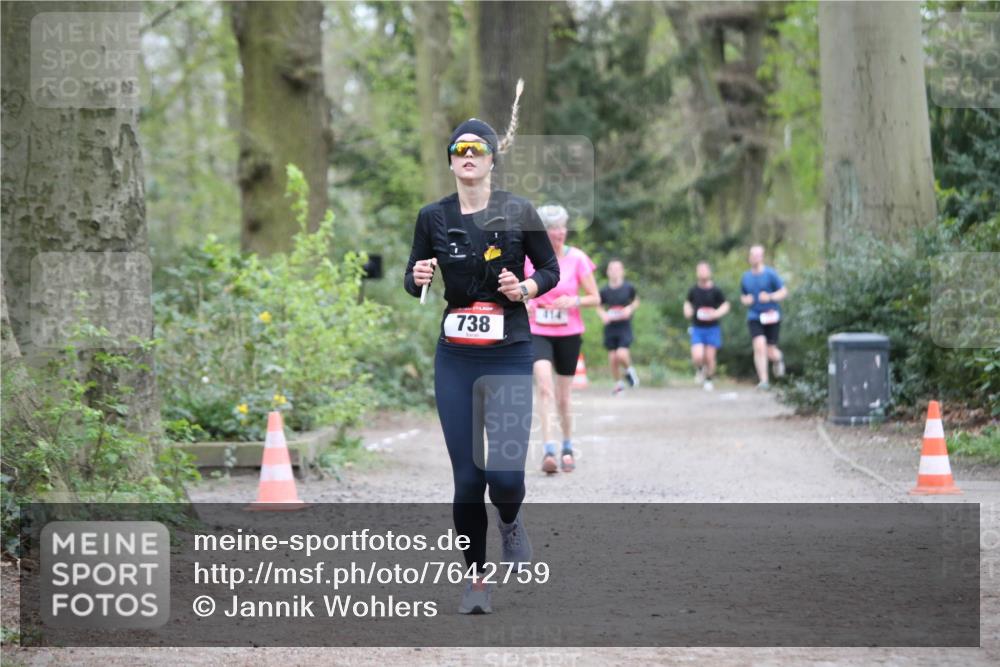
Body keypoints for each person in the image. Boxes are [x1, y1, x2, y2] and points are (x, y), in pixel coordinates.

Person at [404, 101, 560, 614]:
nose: (468, 155)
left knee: (506, 478)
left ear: (493, 159)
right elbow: (412, 278)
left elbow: (551, 271)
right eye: (459, 149)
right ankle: (475, 580)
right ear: (451, 161)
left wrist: (526, 288)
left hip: (511, 352)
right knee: (469, 479)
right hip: (456, 357)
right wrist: (418, 279)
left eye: (478, 149)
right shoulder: (433, 217)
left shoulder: (518, 211)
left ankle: (510, 522)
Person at [524, 205, 600, 474]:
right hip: (538, 330)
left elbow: (595, 297)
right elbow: (519, 292)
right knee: (544, 387)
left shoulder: (577, 258)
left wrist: (575, 300)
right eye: (553, 228)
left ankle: (567, 446)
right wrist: (526, 303)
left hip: (568, 332)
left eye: (562, 227)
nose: (559, 233)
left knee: (564, 397)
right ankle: (548, 451)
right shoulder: (528, 259)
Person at [739, 245, 788, 389]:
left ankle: (779, 359)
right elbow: (743, 295)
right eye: (751, 255)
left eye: (757, 255)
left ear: (762, 257)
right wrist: (745, 300)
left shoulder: (770, 274)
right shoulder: (745, 276)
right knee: (759, 346)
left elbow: (784, 292)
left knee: (770, 351)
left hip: (771, 316)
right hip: (754, 316)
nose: (753, 258)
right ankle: (764, 381)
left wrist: (770, 297)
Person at [683, 261, 730, 391]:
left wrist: (716, 313)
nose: (702, 273)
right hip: (697, 328)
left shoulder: (716, 290)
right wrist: (687, 310)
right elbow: (687, 303)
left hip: (712, 328)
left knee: (710, 356)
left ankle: (709, 379)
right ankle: (700, 369)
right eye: (700, 270)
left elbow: (725, 305)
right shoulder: (693, 290)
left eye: (705, 270)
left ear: (710, 272)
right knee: (697, 355)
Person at [596, 259, 640, 395]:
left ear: (622, 271)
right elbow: (598, 305)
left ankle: (629, 370)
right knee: (612, 357)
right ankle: (618, 384)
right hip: (610, 327)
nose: (614, 271)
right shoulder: (604, 290)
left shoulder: (628, 288)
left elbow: (636, 301)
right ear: (608, 272)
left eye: (617, 269)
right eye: (612, 269)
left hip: (624, 326)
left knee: (621, 354)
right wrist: (603, 314)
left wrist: (630, 309)